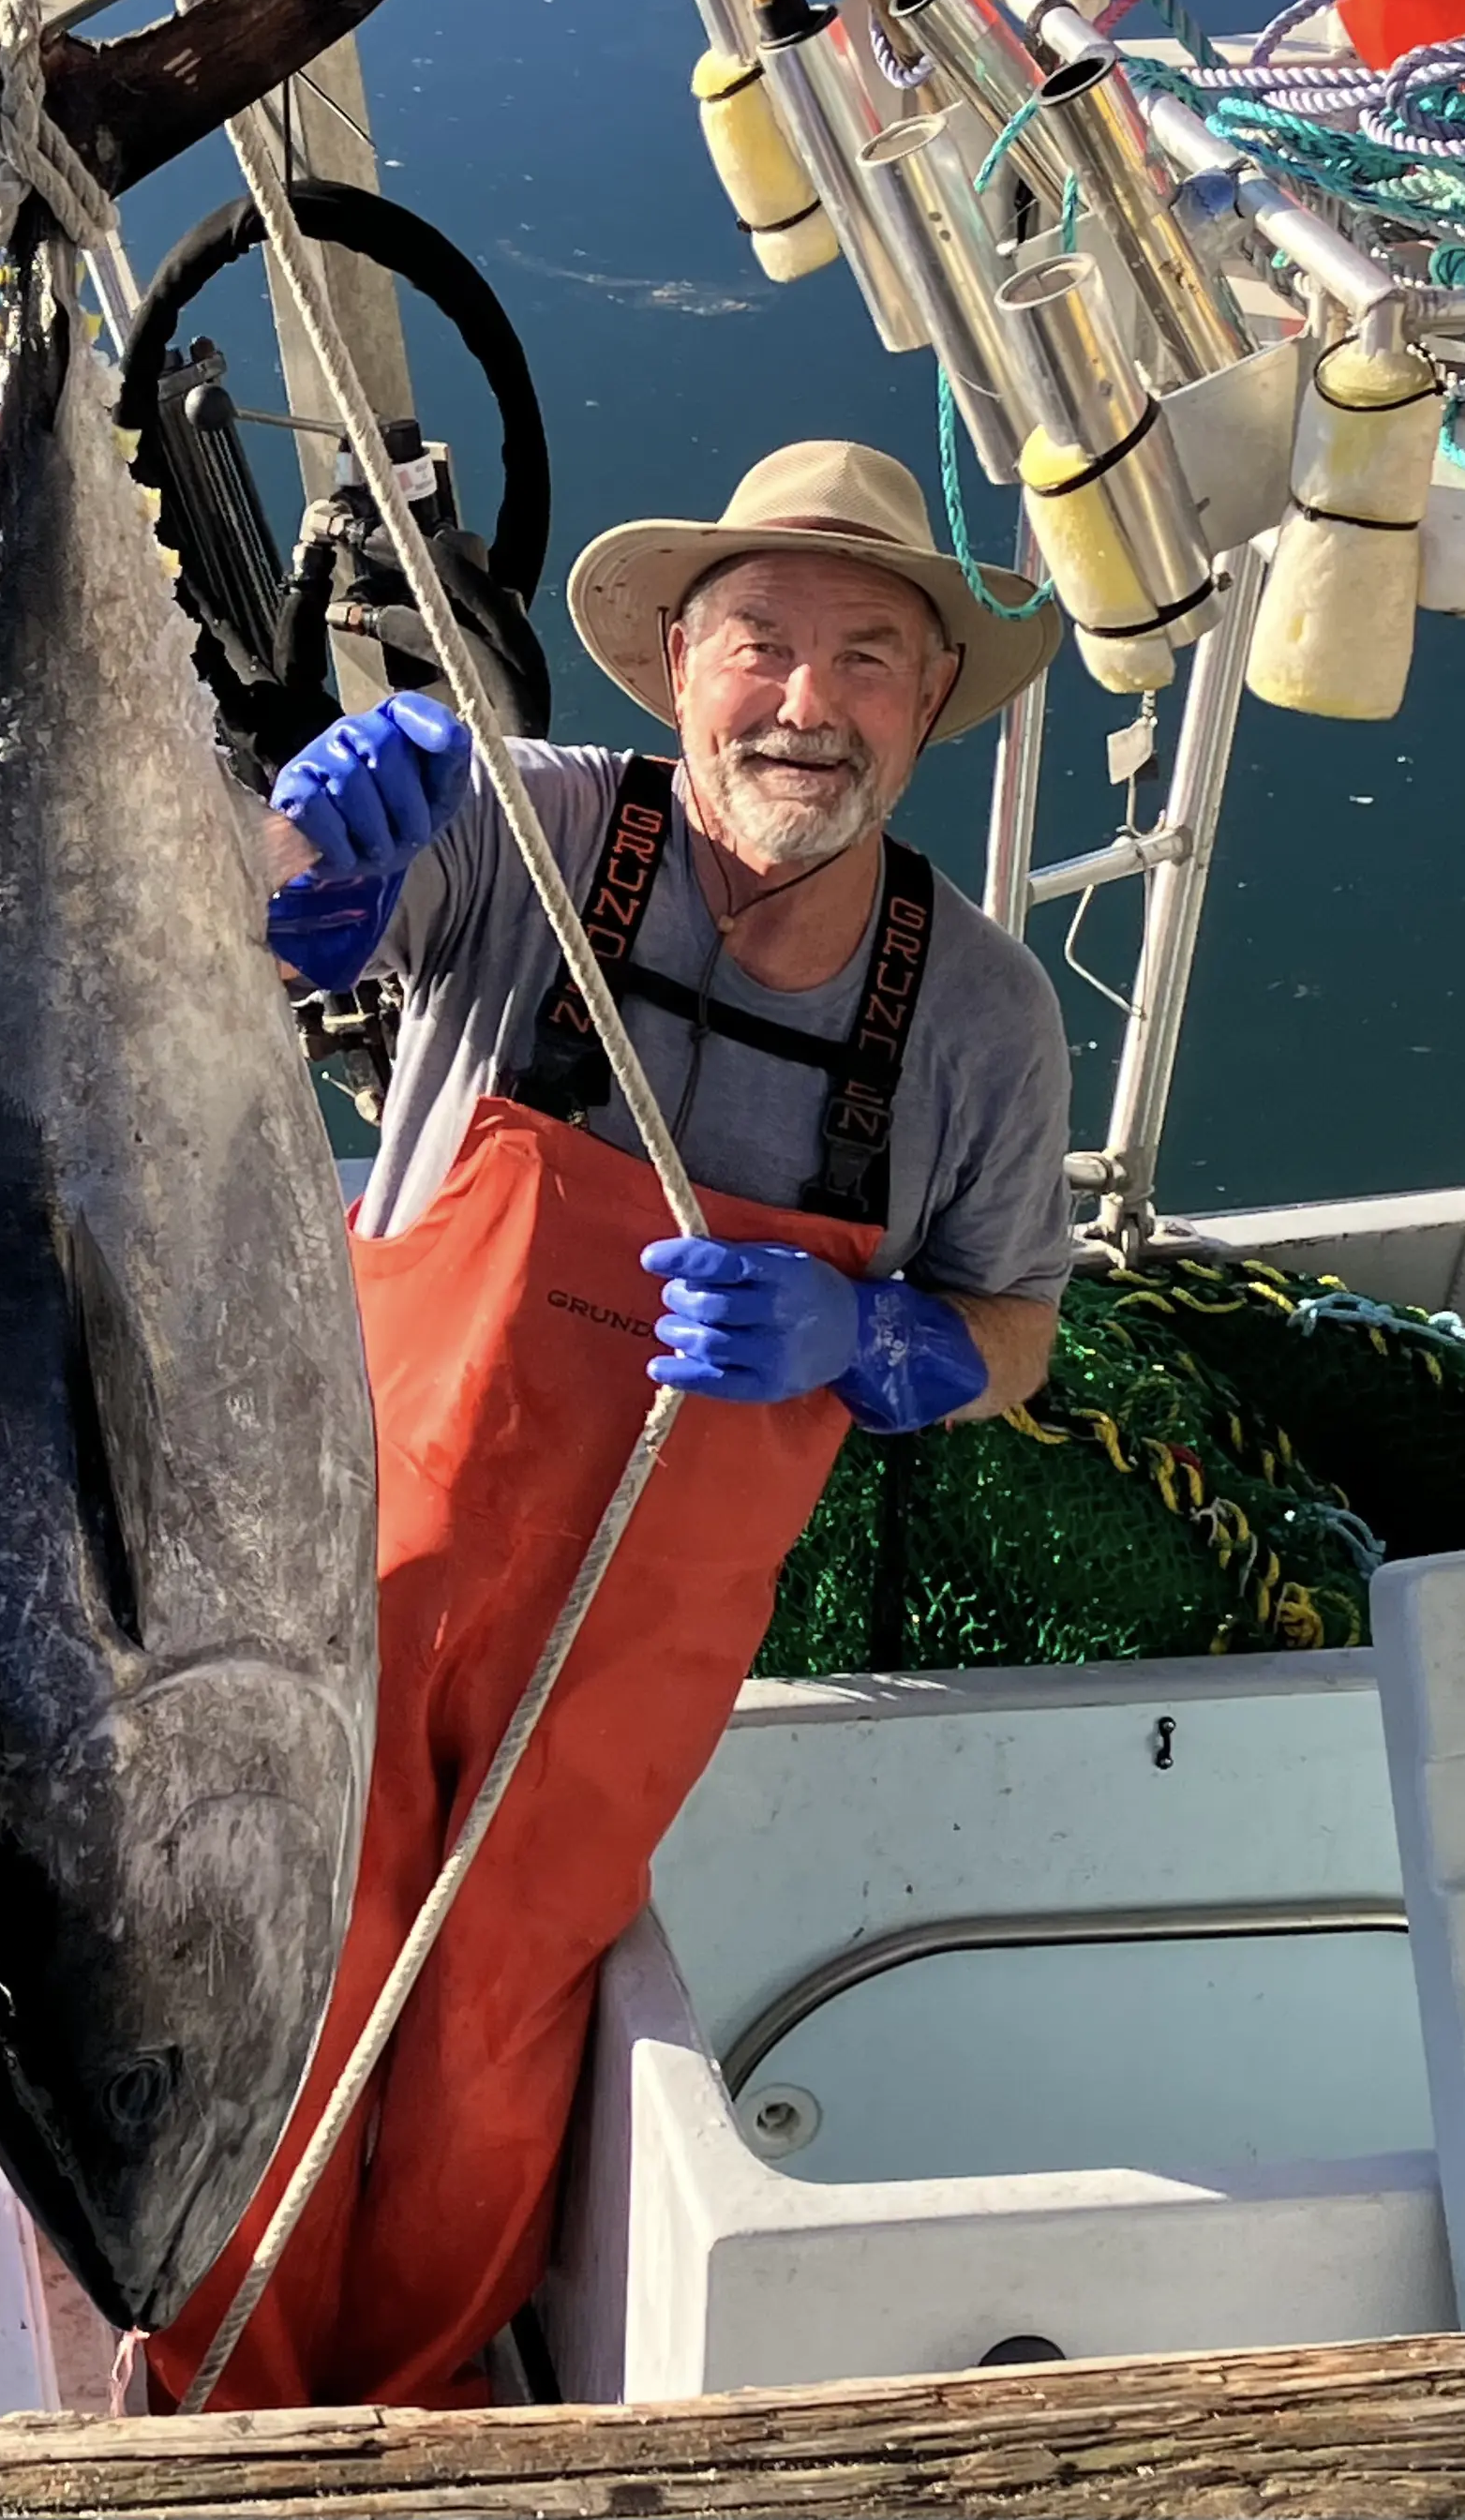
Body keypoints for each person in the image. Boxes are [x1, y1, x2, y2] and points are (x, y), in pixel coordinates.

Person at [150, 441, 1072, 2411]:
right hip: (349, 1559)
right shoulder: (548, 834)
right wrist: (312, 850)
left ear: (926, 708)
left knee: (492, 2025)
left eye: (869, 659)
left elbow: (1020, 1332)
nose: (807, 705)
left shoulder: (978, 1014)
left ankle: (416, 2399)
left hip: (631, 1643)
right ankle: (221, 2388)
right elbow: (264, 917)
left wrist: (883, 1339)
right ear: (674, 670)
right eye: (760, 645)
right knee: (283, 1972)